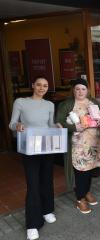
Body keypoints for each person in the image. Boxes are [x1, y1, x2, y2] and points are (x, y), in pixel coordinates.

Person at [9, 76, 57, 240]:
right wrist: (18, 126)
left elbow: (50, 125)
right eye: (39, 85)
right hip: (29, 148)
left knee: (47, 180)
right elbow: (12, 123)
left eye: (45, 86)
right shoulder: (20, 102)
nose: (42, 88)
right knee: (33, 184)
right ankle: (32, 224)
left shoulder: (50, 105)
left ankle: (47, 210)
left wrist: (56, 126)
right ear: (33, 86)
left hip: (47, 146)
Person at [56, 78, 100, 214]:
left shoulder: (94, 102)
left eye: (83, 89)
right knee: (80, 171)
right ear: (73, 90)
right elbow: (58, 122)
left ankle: (86, 191)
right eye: (77, 89)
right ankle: (80, 198)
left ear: (87, 90)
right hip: (78, 145)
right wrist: (74, 126)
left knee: (89, 169)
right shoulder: (67, 104)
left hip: (94, 143)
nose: (80, 91)